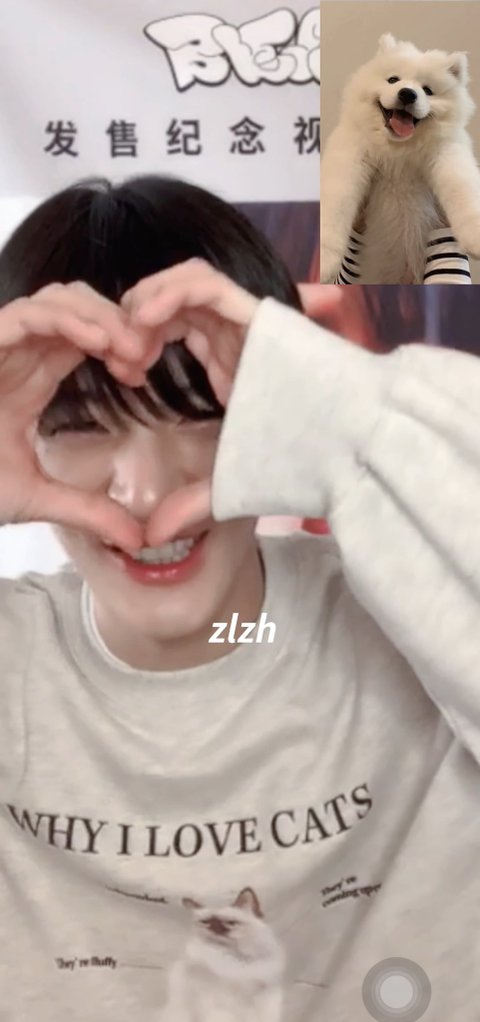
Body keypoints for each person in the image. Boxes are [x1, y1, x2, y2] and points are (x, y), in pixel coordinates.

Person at [0, 173, 478, 1022]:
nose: (145, 492)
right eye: (80, 426)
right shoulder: (14, 662)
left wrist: (355, 417)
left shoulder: (418, 623)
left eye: (201, 413)